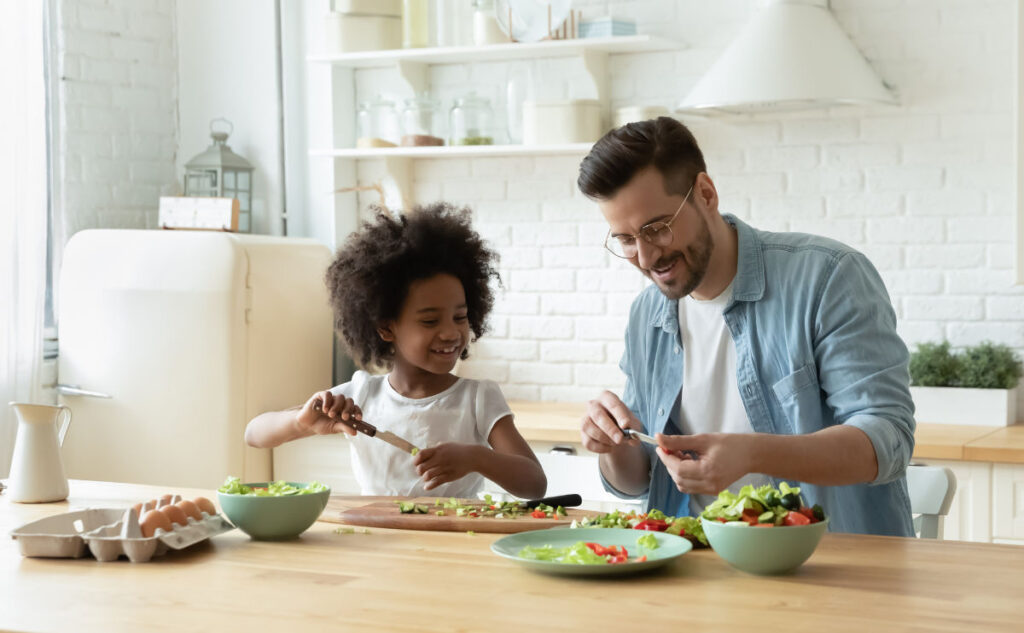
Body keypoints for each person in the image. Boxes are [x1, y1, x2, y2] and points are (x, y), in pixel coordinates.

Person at [575, 117, 915, 536]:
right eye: (625, 239)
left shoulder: (827, 278)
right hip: (694, 569)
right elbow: (637, 482)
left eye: (657, 228)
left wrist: (753, 454)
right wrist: (613, 445)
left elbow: (887, 440)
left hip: (829, 570)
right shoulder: (648, 314)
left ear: (705, 193)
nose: (645, 258)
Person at [245, 203, 546, 500]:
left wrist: (476, 458)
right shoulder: (361, 395)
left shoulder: (478, 399)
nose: (451, 332)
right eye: (430, 320)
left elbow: (534, 484)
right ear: (386, 328)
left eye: (460, 317)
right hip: (377, 540)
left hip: (454, 541)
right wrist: (299, 421)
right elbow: (254, 434)